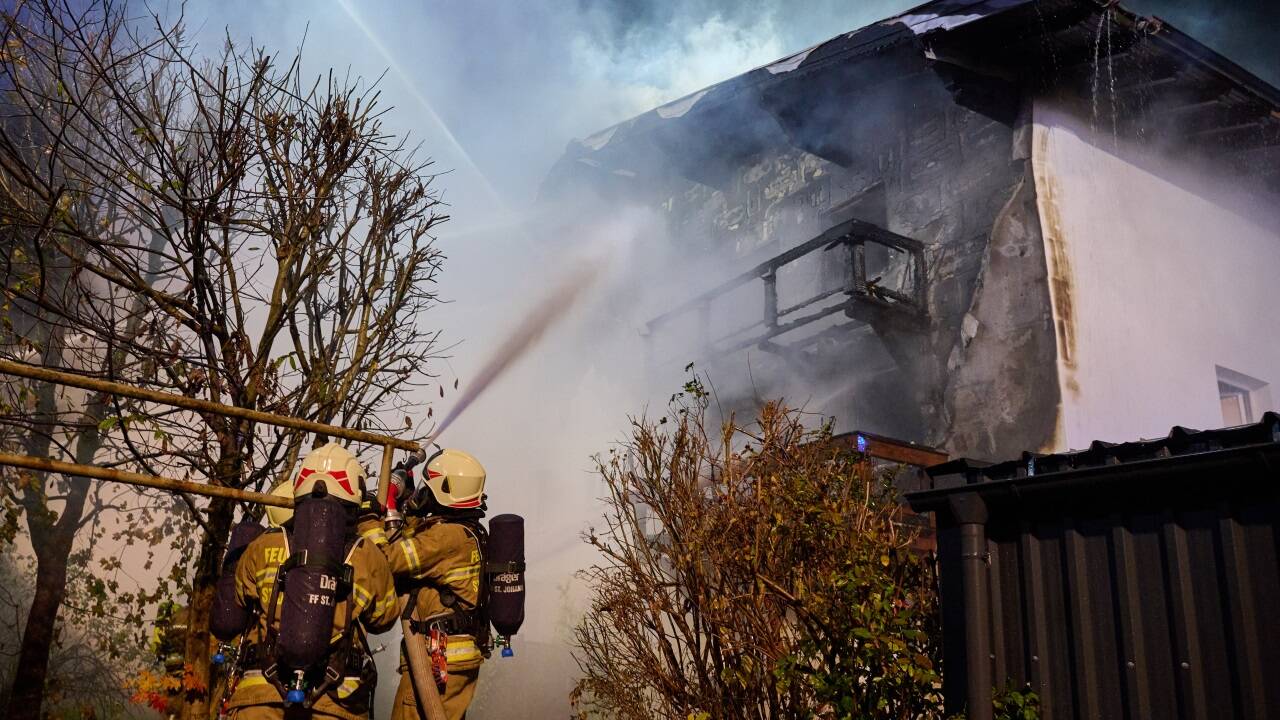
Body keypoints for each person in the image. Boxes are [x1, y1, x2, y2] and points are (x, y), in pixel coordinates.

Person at [222, 443, 398, 720]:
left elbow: (241, 597)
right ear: (354, 494)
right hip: (335, 699)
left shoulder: (262, 545)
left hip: (260, 694)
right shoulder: (368, 556)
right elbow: (384, 618)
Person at [364, 448, 488, 720]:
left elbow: (386, 559)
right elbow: (413, 548)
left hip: (435, 661)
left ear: (443, 491)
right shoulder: (462, 533)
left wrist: (368, 516)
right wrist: (405, 501)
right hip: (454, 657)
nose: (423, 494)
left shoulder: (446, 537)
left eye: (426, 489)